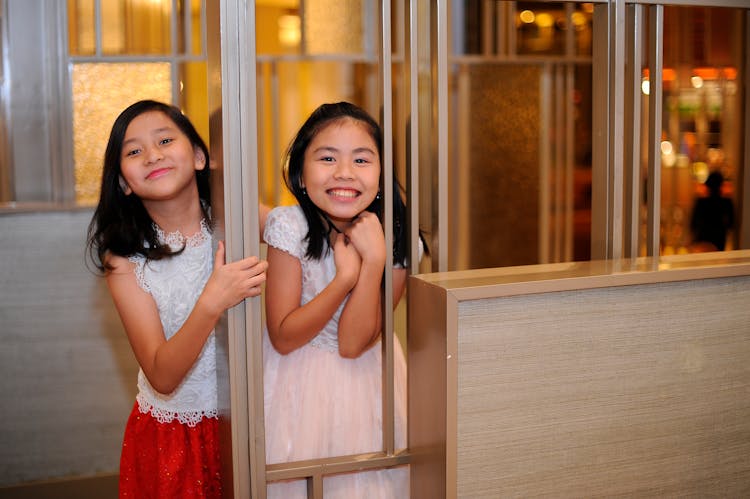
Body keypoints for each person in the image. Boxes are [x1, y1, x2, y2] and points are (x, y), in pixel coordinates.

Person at [86, 99, 268, 498]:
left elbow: (299, 234)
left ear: (200, 156)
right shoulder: (125, 263)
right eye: (134, 151)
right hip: (175, 437)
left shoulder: (235, 217)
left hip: (252, 418)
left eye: (165, 140)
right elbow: (162, 375)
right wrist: (212, 300)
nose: (153, 155)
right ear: (124, 183)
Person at [263, 101, 411, 498]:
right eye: (327, 158)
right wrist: (343, 277)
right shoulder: (288, 226)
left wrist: (374, 260)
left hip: (367, 383)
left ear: (381, 175)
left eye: (361, 160)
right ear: (301, 172)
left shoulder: (397, 237)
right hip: (294, 382)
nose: (344, 173)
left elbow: (351, 344)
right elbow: (283, 335)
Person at [690, 171, 735, 252]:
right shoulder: (726, 202)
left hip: (703, 236)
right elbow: (731, 222)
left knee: (703, 260)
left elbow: (693, 222)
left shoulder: (701, 202)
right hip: (719, 237)